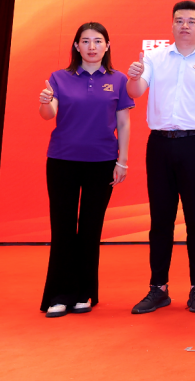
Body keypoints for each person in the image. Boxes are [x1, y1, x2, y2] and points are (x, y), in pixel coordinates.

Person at [128, 1, 195, 315]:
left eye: (191, 21)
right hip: (160, 144)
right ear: (172, 25)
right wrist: (133, 77)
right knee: (160, 218)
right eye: (179, 20)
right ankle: (158, 287)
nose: (185, 25)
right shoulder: (154, 57)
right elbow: (136, 92)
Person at [38, 22, 134, 317]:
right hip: (62, 161)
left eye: (98, 41)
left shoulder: (118, 79)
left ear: (107, 46)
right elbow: (48, 114)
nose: (92, 47)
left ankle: (84, 293)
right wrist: (45, 102)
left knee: (91, 228)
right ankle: (59, 294)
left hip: (102, 162)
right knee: (63, 227)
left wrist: (122, 160)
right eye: (86, 41)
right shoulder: (59, 77)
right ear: (76, 46)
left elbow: (123, 123)